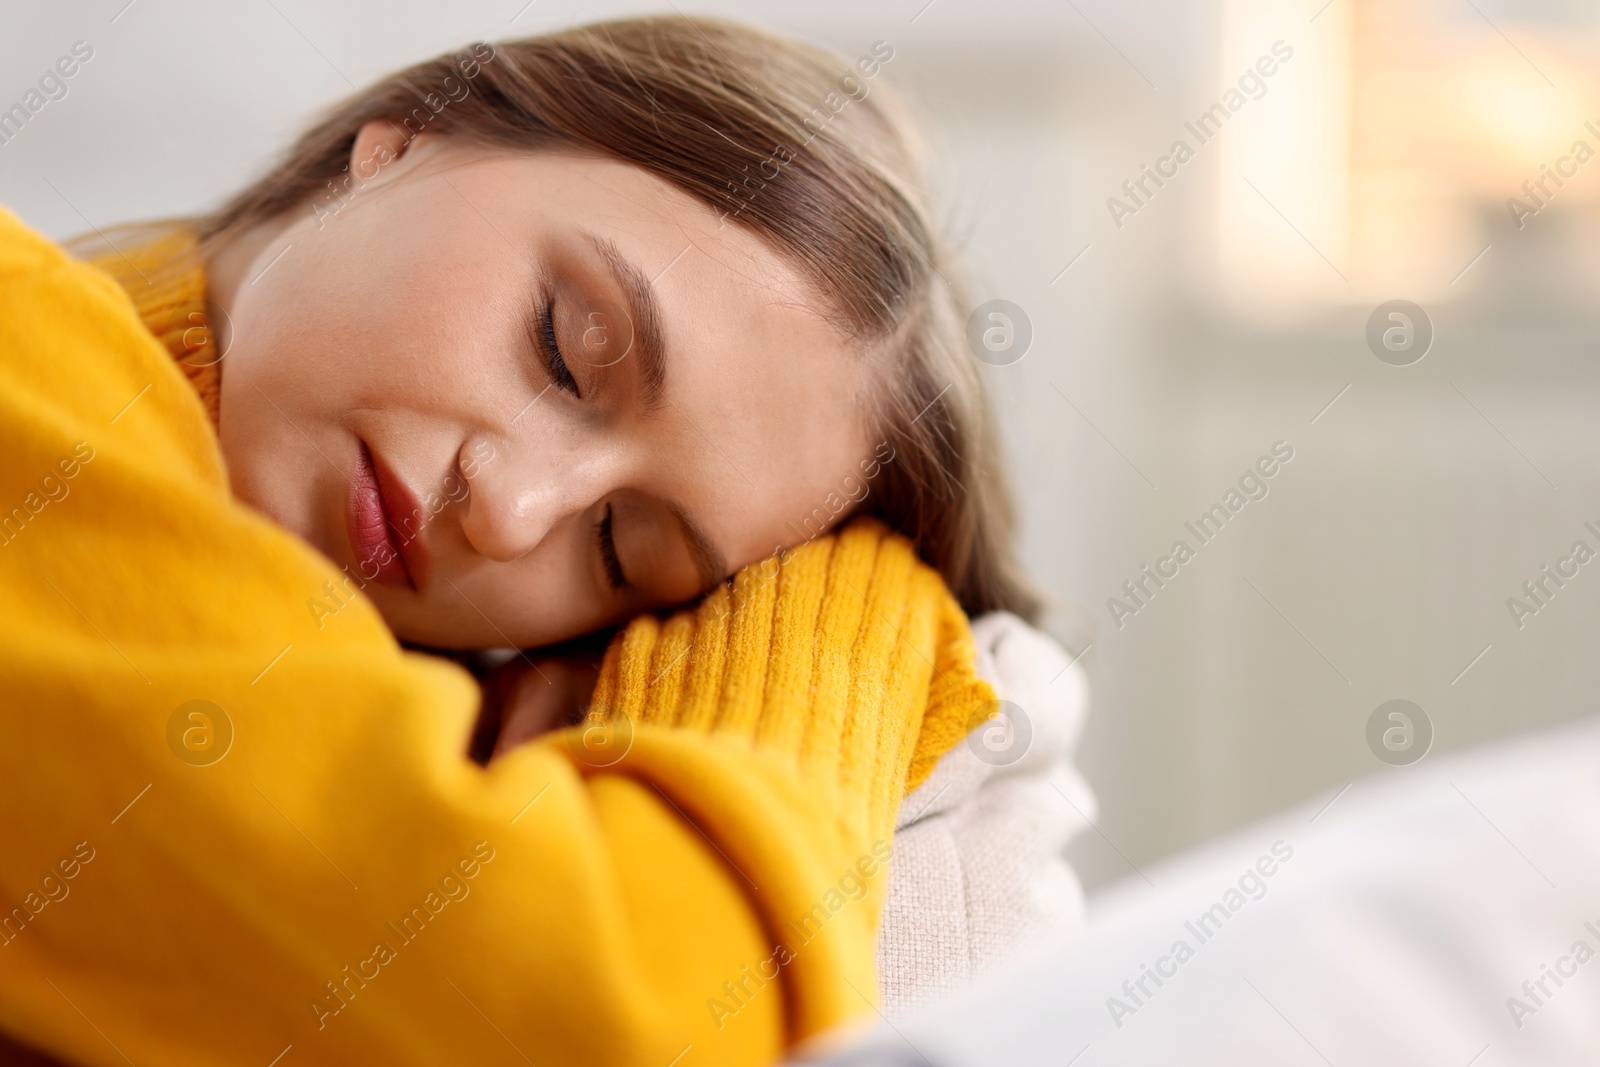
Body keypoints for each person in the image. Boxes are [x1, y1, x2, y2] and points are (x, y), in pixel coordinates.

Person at [0, 16, 1085, 1065]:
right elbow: (638, 1023)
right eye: (566, 351)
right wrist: (847, 625)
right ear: (404, 140)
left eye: (620, 548)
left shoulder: (442, 752)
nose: (509, 509)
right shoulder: (26, 352)